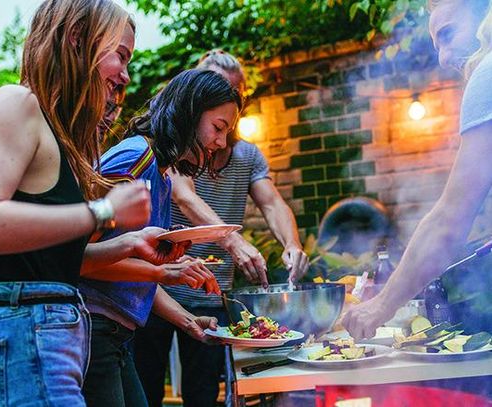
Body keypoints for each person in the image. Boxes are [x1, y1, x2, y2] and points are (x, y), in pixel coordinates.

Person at [0, 0, 177, 405]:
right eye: (121, 55)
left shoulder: (61, 141)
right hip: (21, 338)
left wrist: (129, 244)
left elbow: (48, 261)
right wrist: (104, 212)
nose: (126, 75)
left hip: (54, 340)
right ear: (77, 39)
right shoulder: (16, 104)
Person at [134, 50, 310, 407]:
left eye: (233, 94)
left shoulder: (247, 156)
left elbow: (273, 203)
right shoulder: (180, 149)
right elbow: (184, 195)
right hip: (158, 288)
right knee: (146, 389)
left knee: (203, 395)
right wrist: (232, 240)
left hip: (212, 294)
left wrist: (292, 243)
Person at [79, 68, 243, 406]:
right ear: (189, 112)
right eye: (218, 128)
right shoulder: (134, 157)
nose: (221, 142)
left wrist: (187, 320)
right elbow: (81, 258)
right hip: (92, 329)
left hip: (116, 334)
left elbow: (127, 265)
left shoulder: (162, 176)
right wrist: (163, 272)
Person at [342, 0, 492, 340]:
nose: (442, 58)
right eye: (436, 44)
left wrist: (381, 305)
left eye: (448, 34)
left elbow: (449, 220)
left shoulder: (488, 74)